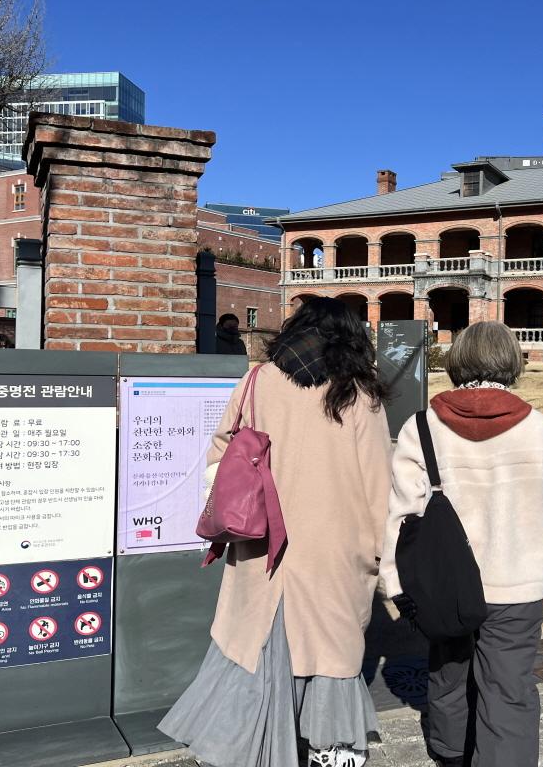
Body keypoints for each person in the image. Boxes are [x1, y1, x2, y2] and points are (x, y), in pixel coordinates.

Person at [160, 297, 392, 767]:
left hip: (260, 539)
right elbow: (377, 486)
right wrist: (381, 555)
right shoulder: (360, 394)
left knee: (257, 643)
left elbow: (220, 454)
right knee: (331, 651)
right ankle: (334, 749)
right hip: (335, 548)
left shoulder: (258, 380)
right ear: (351, 338)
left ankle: (248, 747)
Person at [380, 320, 543, 767]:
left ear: (457, 363)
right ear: (511, 362)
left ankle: (451, 754)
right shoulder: (539, 428)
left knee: (448, 673)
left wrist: (396, 586)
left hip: (444, 587)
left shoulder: (422, 428)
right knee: (509, 687)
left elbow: (401, 517)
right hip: (517, 584)